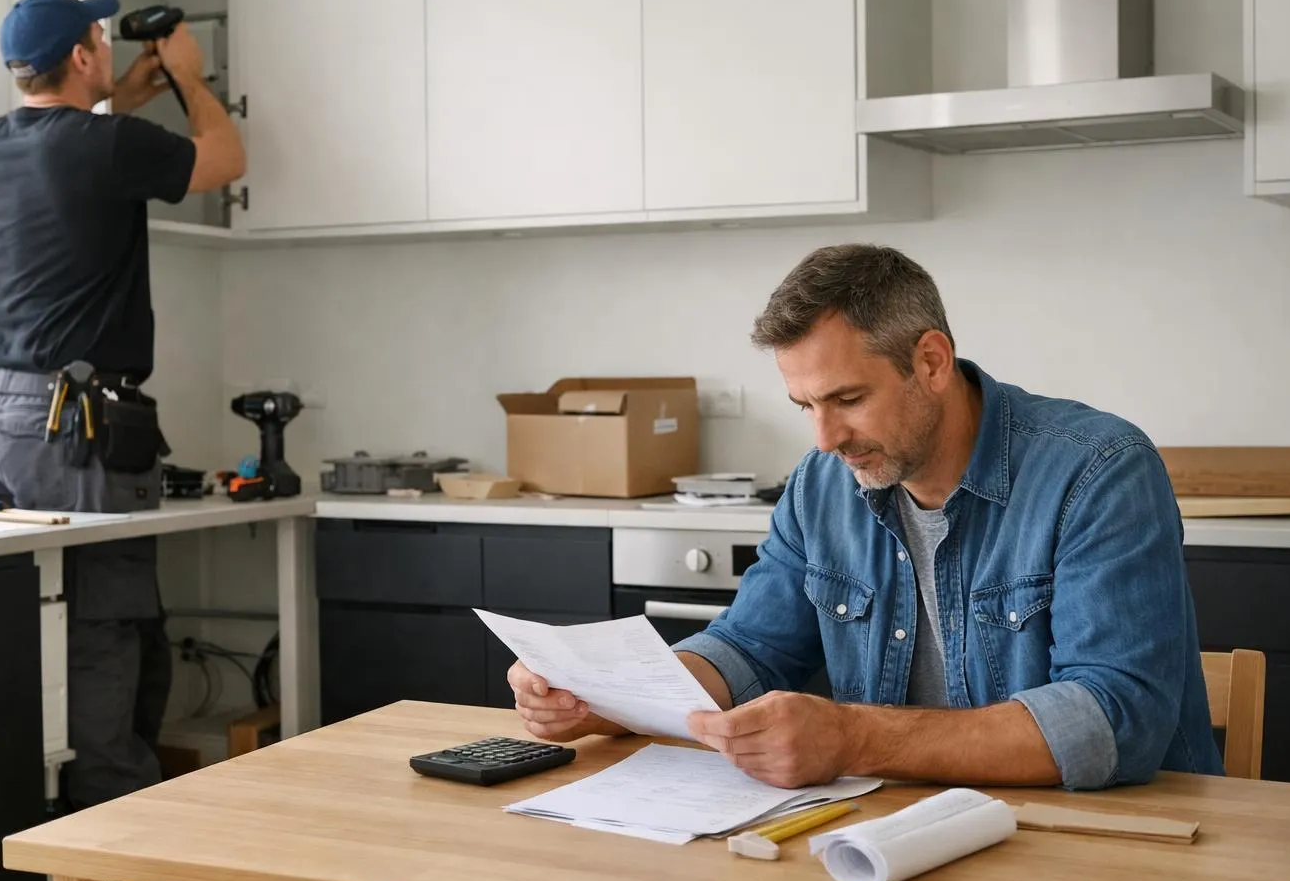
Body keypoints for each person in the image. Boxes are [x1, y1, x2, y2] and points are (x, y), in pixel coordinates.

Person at [508, 243, 1222, 791]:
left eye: (848, 400)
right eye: (806, 407)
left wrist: (853, 738)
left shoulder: (1099, 470)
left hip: (1114, 841)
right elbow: (750, 650)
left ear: (932, 361)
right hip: (896, 830)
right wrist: (606, 700)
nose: (824, 440)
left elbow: (1115, 722)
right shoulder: (822, 484)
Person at [0, 0, 245, 811]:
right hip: (68, 433)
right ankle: (117, 854)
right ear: (83, 58)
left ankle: (55, 833)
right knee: (103, 641)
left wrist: (134, 88)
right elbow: (224, 160)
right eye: (97, 39)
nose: (104, 48)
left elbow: (75, 128)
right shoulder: (108, 145)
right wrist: (189, 79)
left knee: (41, 639)